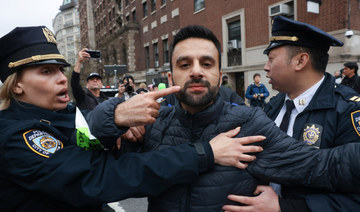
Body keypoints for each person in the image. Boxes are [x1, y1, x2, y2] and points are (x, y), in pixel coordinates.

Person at [0, 26, 268, 211]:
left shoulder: (66, 115)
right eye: (46, 71)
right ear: (17, 86)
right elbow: (102, 176)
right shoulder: (17, 135)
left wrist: (118, 127)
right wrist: (204, 153)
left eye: (61, 69)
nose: (60, 78)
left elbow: (93, 142)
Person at [117, 25, 360, 212]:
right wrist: (116, 121)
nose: (196, 71)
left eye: (206, 63)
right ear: (170, 77)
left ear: (220, 76)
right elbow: (99, 172)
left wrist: (287, 207)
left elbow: (322, 165)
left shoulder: (248, 123)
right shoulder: (151, 125)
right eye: (184, 64)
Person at [223, 16, 360, 212]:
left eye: (271, 59)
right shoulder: (275, 104)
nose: (265, 67)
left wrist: (286, 207)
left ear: (300, 61)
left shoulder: (348, 110)